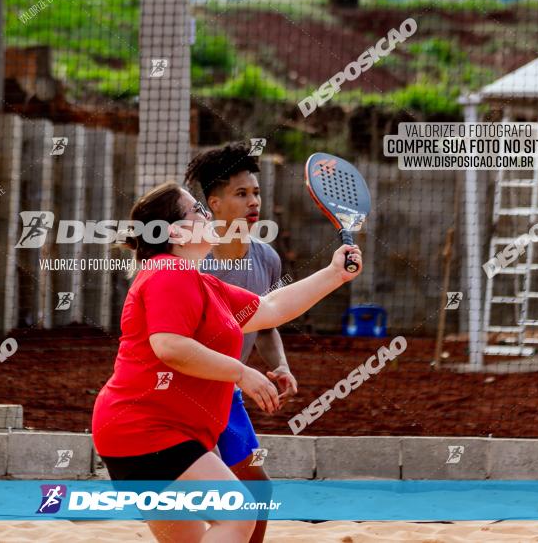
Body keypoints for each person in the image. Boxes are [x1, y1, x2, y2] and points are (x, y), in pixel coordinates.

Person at [91, 181, 361, 542]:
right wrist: (241, 373)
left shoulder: (204, 284)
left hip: (149, 433)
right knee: (239, 515)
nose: (208, 215)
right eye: (197, 210)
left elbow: (272, 308)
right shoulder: (168, 271)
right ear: (176, 231)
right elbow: (169, 346)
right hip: (146, 431)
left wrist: (334, 274)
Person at [185, 142, 293, 543]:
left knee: (259, 493)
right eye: (241, 193)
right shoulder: (194, 260)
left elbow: (266, 322)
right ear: (214, 203)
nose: (254, 201)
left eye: (256, 192)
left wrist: (279, 364)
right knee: (220, 505)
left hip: (227, 397)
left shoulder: (266, 259)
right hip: (182, 396)